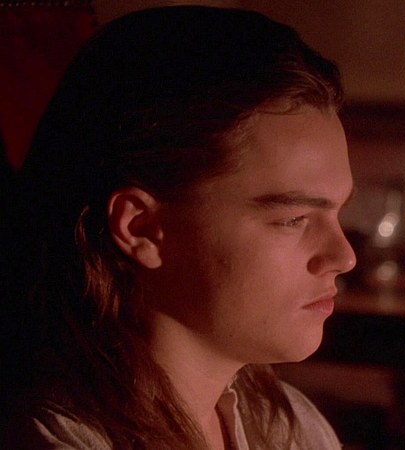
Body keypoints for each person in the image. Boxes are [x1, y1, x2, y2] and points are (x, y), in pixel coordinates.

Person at [0, 5, 355, 449]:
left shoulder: (291, 428)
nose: (344, 257)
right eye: (293, 219)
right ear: (141, 227)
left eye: (338, 212)